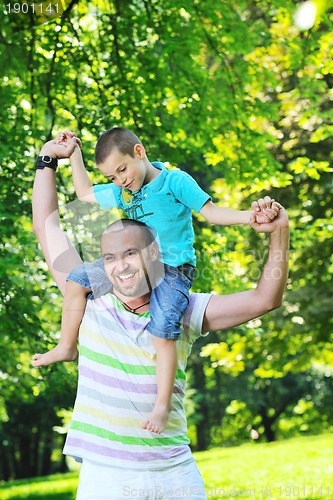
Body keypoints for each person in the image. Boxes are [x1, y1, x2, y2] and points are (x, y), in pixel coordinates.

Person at [32, 136, 289, 500]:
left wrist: (279, 232)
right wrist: (49, 158)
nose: (120, 267)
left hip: (175, 476)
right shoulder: (89, 301)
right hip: (106, 479)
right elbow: (47, 227)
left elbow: (266, 299)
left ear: (153, 252)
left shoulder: (183, 307)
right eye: (110, 258)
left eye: (131, 254)